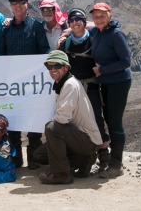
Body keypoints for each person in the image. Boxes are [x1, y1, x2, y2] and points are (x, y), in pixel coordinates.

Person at [0, 0, 50, 168]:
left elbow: (44, 49)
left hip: (32, 83)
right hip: (11, 85)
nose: (17, 6)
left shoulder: (36, 26)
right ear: (11, 6)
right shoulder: (5, 28)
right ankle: (16, 157)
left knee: (34, 119)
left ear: (27, 5)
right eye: (14, 3)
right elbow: (0, 54)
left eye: (21, 2)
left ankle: (34, 157)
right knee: (14, 120)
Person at [38, 50, 102, 184]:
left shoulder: (70, 85)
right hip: (79, 138)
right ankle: (83, 160)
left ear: (66, 67)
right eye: (50, 67)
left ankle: (61, 174)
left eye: (57, 66)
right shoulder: (62, 83)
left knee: (51, 128)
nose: (53, 70)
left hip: (87, 140)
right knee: (39, 155)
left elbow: (63, 118)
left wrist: (50, 127)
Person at [59, 8, 110, 170]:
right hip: (73, 90)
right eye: (71, 20)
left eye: (78, 19)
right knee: (75, 122)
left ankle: (104, 155)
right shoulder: (65, 43)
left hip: (91, 87)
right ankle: (83, 155)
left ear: (84, 21)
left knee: (96, 119)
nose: (75, 23)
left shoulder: (95, 40)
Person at [89, 2, 132, 179]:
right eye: (96, 16)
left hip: (118, 82)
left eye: (102, 16)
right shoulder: (96, 32)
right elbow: (84, 28)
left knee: (114, 122)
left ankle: (116, 164)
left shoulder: (116, 34)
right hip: (105, 83)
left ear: (109, 16)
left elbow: (126, 61)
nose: (99, 19)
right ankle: (112, 161)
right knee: (107, 118)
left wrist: (102, 70)